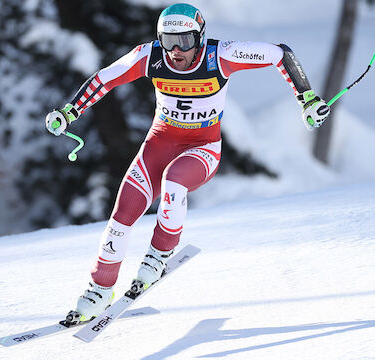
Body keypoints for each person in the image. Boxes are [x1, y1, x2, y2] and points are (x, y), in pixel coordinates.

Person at [45, 3, 330, 323]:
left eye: (185, 41)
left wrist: (306, 98)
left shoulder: (220, 56)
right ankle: (100, 288)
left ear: (201, 37)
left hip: (202, 148)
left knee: (174, 181)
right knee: (122, 214)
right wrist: (69, 111)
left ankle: (159, 253)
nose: (176, 51)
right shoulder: (149, 56)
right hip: (159, 145)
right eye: (168, 41)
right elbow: (104, 79)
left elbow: (279, 53)